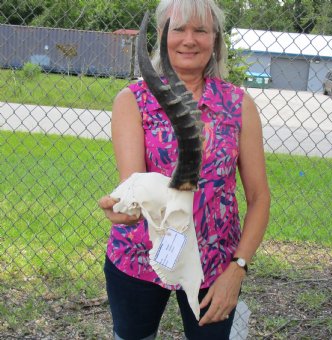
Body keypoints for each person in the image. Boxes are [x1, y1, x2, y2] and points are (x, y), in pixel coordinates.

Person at [99, 0, 270, 339]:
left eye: (201, 30)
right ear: (162, 36)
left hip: (215, 264)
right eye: (178, 29)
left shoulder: (238, 105)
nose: (189, 40)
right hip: (139, 256)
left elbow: (259, 196)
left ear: (215, 39)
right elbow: (136, 187)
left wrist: (237, 269)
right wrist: (124, 208)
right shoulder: (133, 100)